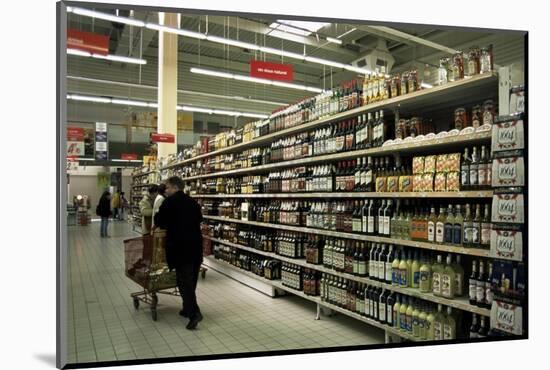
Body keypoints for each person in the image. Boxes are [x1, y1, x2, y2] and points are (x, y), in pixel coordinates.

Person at [154, 176, 204, 330]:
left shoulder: (169, 203)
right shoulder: (193, 202)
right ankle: (186, 308)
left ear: (175, 187)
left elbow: (159, 221)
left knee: (184, 282)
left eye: (167, 187)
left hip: (180, 248)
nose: (166, 190)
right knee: (191, 280)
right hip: (195, 246)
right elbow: (199, 219)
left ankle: (194, 313)